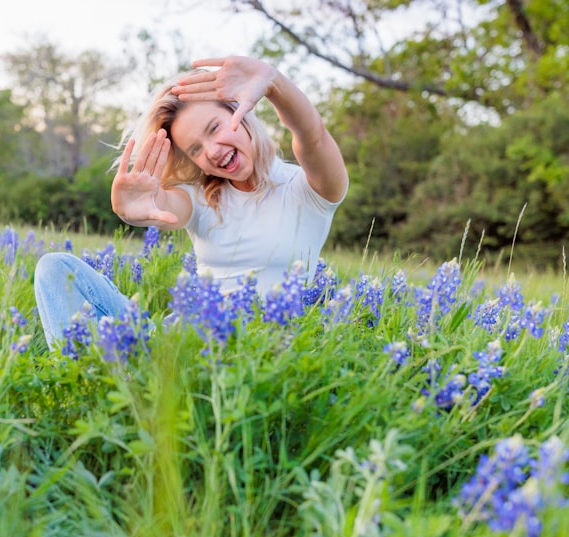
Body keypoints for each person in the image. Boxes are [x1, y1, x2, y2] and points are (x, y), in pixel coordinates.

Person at [34, 55, 349, 350]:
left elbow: (313, 137)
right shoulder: (201, 199)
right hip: (183, 346)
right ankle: (82, 381)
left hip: (252, 355)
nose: (211, 151)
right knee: (54, 267)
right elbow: (166, 205)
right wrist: (134, 209)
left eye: (214, 128)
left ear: (240, 109)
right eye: (195, 149)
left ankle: (127, 382)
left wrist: (275, 84)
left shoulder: (308, 191)